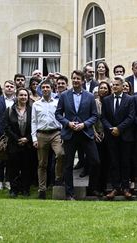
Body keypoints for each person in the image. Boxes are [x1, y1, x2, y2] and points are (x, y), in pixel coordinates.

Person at [55, 70, 100, 200]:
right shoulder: (64, 95)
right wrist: (67, 123)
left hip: (85, 133)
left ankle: (91, 189)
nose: (75, 81)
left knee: (95, 161)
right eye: (73, 78)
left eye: (78, 79)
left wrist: (84, 124)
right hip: (70, 133)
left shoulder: (90, 96)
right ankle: (69, 194)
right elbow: (58, 114)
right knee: (68, 165)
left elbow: (95, 115)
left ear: (82, 81)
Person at [101, 76, 135, 200]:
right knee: (114, 163)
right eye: (113, 85)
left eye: (116, 85)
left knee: (125, 162)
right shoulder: (106, 100)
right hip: (111, 137)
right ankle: (115, 188)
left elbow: (131, 117)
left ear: (122, 86)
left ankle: (126, 188)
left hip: (125, 136)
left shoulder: (130, 99)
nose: (114, 87)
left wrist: (119, 128)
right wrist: (111, 128)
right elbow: (103, 117)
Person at [31, 79, 64, 199]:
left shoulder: (57, 102)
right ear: (41, 89)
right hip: (41, 134)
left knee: (60, 154)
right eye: (43, 87)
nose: (45, 89)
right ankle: (42, 189)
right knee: (42, 163)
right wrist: (34, 138)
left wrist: (63, 134)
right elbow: (33, 122)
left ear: (52, 89)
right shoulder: (36, 104)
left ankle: (58, 178)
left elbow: (61, 119)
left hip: (56, 133)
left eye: (47, 87)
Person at [4, 88, 33, 198]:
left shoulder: (32, 110)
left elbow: (35, 126)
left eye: (25, 95)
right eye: (21, 95)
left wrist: (27, 138)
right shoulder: (9, 110)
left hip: (27, 144)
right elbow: (6, 127)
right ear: (16, 96)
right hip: (13, 144)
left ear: (28, 97)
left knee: (26, 168)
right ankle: (14, 189)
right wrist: (17, 139)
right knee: (13, 168)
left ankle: (25, 189)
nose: (23, 97)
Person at [94, 81, 112, 194]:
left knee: (106, 162)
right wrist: (94, 132)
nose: (103, 90)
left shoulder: (110, 102)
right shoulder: (93, 102)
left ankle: (104, 187)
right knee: (96, 162)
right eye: (101, 88)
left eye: (106, 88)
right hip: (95, 135)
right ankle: (95, 188)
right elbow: (91, 117)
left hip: (108, 135)